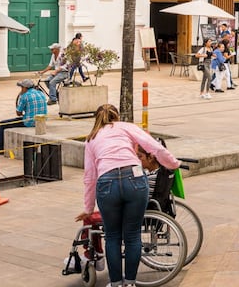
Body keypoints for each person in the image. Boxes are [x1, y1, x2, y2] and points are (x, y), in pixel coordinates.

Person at [77, 104, 180, 287]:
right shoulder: (127, 127)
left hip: (106, 183)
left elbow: (90, 177)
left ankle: (116, 283)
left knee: (112, 237)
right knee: (132, 236)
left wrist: (88, 208)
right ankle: (131, 282)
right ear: (116, 116)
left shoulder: (91, 139)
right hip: (135, 179)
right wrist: (172, 163)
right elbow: (154, 147)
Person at [0, 79, 47, 153]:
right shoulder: (41, 93)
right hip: (41, 121)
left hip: (29, 122)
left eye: (22, 87)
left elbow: (18, 113)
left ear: (25, 88)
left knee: (2, 124)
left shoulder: (24, 96)